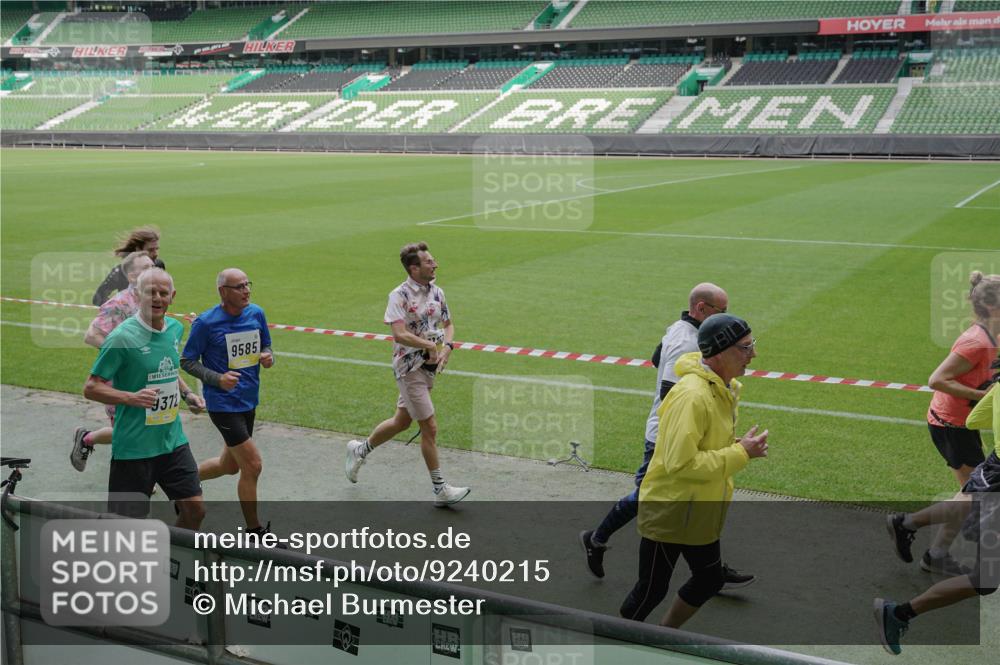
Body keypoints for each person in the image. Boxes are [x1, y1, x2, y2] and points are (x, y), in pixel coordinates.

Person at [580, 283, 755, 591]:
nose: (725, 318)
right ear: (701, 309)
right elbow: (672, 394)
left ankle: (708, 570)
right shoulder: (688, 344)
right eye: (722, 311)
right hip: (667, 437)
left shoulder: (678, 329)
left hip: (672, 434)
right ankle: (597, 538)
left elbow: (654, 358)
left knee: (677, 499)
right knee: (653, 499)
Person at [620, 314, 768, 628]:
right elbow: (681, 463)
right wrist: (741, 452)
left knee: (709, 579)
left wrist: (735, 444)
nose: (753, 354)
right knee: (650, 591)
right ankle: (612, 641)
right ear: (720, 351)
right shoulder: (693, 395)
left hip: (697, 512)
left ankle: (664, 635)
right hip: (672, 512)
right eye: (745, 347)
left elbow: (702, 443)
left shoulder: (720, 388)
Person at [876, 383, 1000, 656]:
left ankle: (908, 526)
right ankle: (898, 613)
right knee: (985, 579)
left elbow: (974, 419)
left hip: (992, 471)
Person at [345, 242, 469, 507]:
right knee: (430, 427)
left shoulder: (437, 292)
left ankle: (359, 450)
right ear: (414, 268)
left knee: (401, 421)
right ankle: (440, 490)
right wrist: (428, 346)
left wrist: (447, 346)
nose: (435, 264)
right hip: (408, 368)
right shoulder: (398, 295)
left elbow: (448, 325)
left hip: (429, 368)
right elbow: (399, 334)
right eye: (429, 262)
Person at [83, 268, 206, 528]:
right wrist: (131, 397)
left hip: (172, 441)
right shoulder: (121, 338)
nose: (157, 298)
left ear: (172, 296)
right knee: (127, 526)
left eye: (163, 293)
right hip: (134, 447)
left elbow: (168, 368)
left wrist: (187, 394)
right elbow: (91, 388)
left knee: (195, 510)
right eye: (151, 292)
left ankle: (171, 560)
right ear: (138, 295)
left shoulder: (174, 329)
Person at [181, 269, 275, 537]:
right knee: (253, 465)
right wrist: (217, 379)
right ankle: (254, 531)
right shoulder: (206, 323)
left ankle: (182, 485)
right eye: (239, 287)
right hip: (223, 404)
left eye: (248, 284)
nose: (247, 291)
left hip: (248, 399)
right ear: (223, 291)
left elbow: (267, 346)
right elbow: (186, 360)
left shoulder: (256, 313)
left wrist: (268, 357)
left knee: (230, 466)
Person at [917, 271, 999, 574]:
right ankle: (909, 527)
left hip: (964, 423)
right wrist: (981, 394)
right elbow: (936, 380)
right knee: (976, 495)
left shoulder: (994, 332)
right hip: (950, 424)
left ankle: (936, 552)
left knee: (973, 494)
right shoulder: (975, 341)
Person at [72, 250, 155, 471]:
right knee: (126, 430)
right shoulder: (118, 303)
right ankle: (130, 475)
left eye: (153, 266)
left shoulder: (151, 300)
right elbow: (91, 336)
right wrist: (126, 357)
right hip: (119, 380)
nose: (152, 271)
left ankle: (87, 438)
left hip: (144, 377)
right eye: (146, 268)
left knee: (142, 425)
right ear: (131, 277)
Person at [92, 226, 164, 306]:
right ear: (138, 249)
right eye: (151, 250)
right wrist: (120, 310)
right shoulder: (120, 272)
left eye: (156, 249)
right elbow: (98, 298)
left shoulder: (158, 266)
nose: (156, 254)